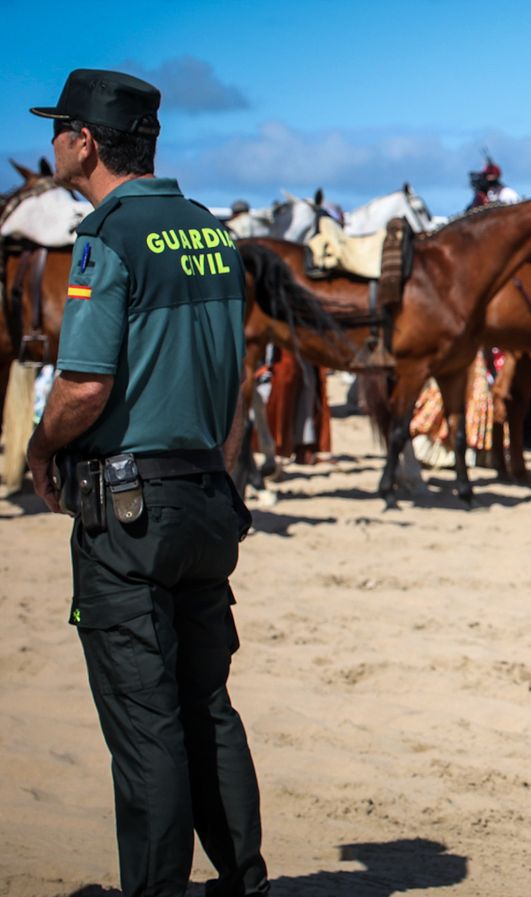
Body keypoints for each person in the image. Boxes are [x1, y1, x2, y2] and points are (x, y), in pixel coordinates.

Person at [24, 69, 269, 897]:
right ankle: (245, 881)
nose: (51, 141)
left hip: (129, 512)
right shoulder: (210, 232)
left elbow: (85, 385)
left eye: (59, 127)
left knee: (146, 724)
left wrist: (37, 447)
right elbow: (232, 378)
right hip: (207, 493)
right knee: (208, 707)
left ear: (85, 141)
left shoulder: (107, 236)